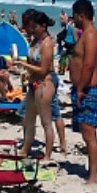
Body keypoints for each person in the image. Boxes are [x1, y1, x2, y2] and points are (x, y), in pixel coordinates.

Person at [14, 11, 63, 160]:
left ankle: (47, 155)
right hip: (33, 82)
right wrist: (26, 68)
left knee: (46, 121)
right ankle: (25, 149)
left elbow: (43, 69)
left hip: (45, 82)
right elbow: (33, 62)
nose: (32, 30)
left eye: (35, 27)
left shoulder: (47, 43)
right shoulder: (35, 41)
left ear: (43, 26)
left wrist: (22, 64)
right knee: (28, 119)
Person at [68, 0, 97, 184]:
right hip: (82, 89)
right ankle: (91, 172)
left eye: (74, 16)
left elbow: (89, 64)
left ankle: (93, 177)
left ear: (81, 15)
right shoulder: (85, 34)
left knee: (89, 135)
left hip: (88, 89)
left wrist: (80, 89)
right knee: (85, 133)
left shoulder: (90, 35)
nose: (73, 19)